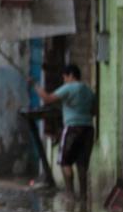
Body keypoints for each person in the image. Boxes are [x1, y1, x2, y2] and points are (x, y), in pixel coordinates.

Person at [33, 64, 96, 201]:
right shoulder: (88, 90)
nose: (64, 81)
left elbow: (47, 99)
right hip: (88, 129)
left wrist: (36, 86)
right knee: (82, 164)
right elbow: (94, 111)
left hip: (73, 128)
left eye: (65, 78)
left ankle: (70, 194)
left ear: (71, 75)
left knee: (65, 161)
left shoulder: (69, 87)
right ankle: (84, 196)